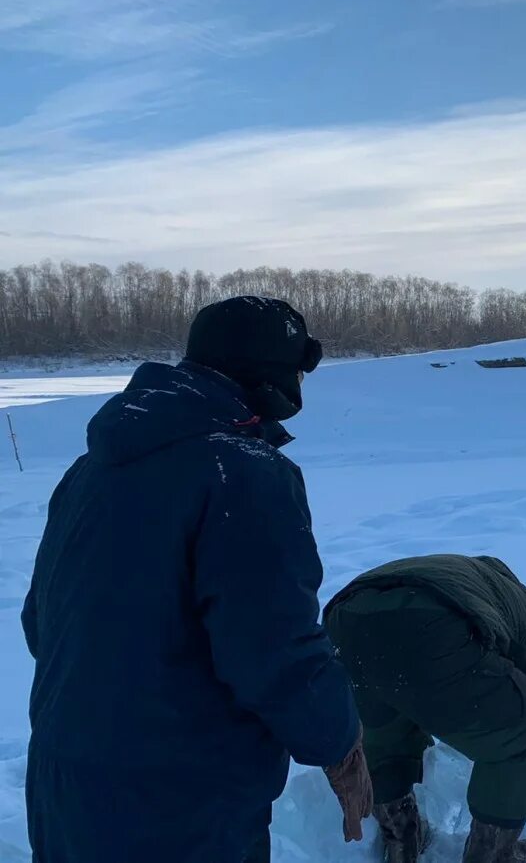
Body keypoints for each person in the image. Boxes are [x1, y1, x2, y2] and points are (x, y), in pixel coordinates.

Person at [22, 296, 373, 863]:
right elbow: (273, 647)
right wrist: (338, 740)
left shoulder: (94, 467)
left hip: (65, 780)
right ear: (274, 373)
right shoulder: (243, 472)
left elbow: (41, 621)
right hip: (179, 800)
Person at [323, 553, 526, 863]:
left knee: (385, 738)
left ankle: (402, 840)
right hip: (427, 624)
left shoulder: (464, 575)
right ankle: (492, 856)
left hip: (344, 620)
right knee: (525, 734)